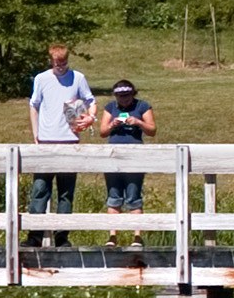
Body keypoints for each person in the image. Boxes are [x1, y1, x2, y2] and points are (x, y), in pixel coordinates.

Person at [23, 42, 93, 247]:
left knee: (66, 192)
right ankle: (34, 236)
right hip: (46, 141)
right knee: (40, 189)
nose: (61, 67)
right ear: (51, 61)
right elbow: (34, 105)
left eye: (63, 63)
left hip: (69, 141)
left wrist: (90, 118)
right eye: (57, 64)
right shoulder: (41, 79)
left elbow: (90, 101)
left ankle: (62, 237)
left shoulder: (78, 78)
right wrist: (36, 133)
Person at [99, 78, 158, 217]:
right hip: (113, 155)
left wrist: (138, 122)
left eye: (127, 96)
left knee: (134, 197)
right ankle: (113, 230)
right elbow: (102, 132)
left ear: (133, 94)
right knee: (114, 197)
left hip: (134, 155)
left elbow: (152, 130)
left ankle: (136, 230)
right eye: (120, 96)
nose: (124, 99)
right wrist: (112, 125)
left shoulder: (142, 106)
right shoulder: (110, 107)